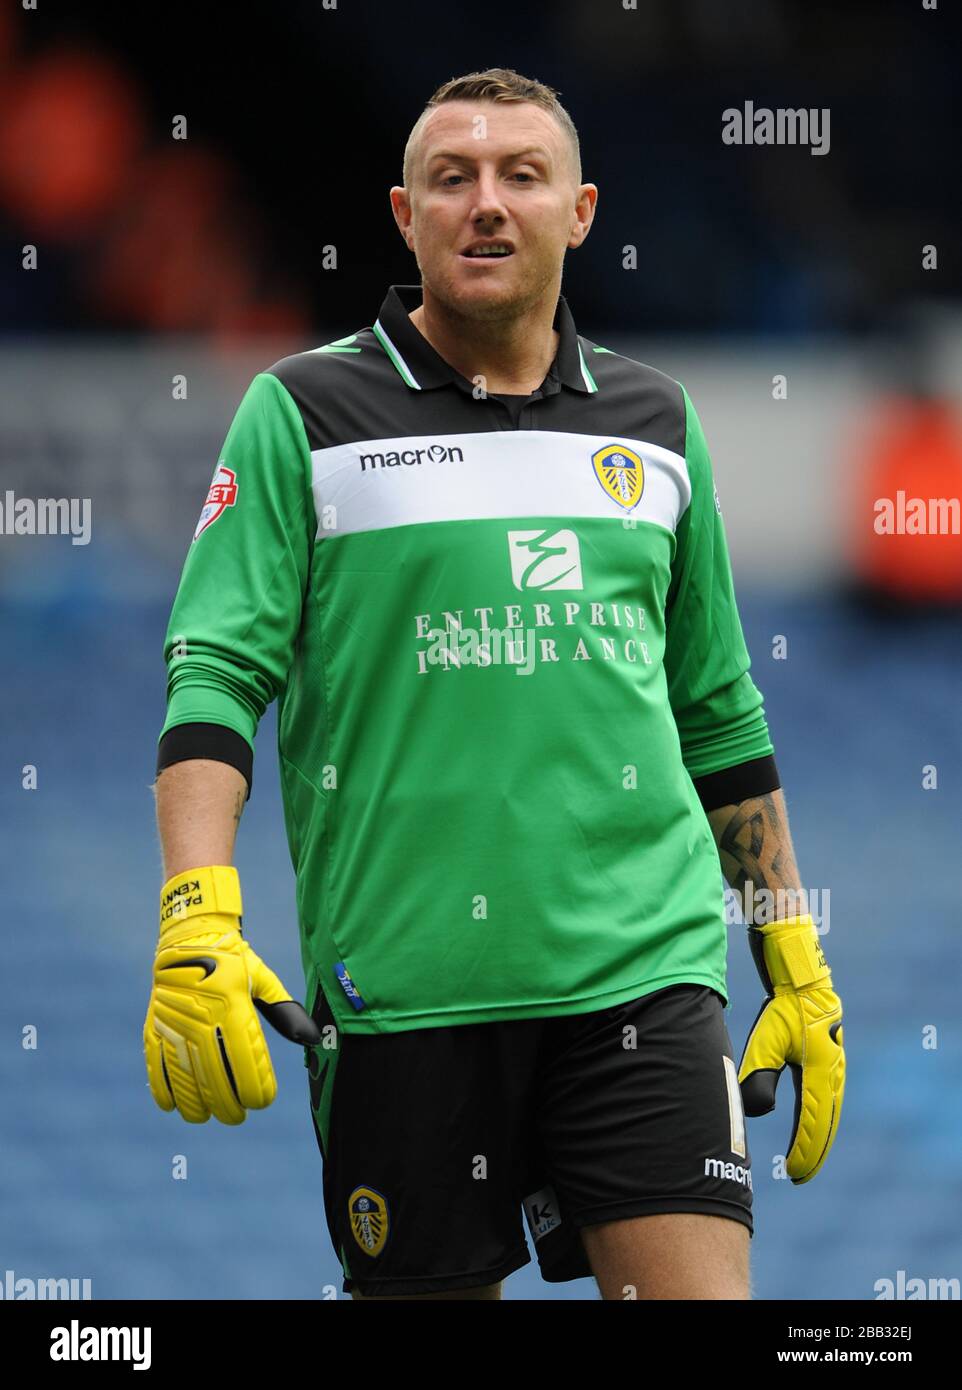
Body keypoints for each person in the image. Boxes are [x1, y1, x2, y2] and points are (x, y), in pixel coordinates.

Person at [145, 67, 845, 1301]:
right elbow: (213, 675)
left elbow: (719, 715)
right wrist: (197, 905)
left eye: (519, 176)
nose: (485, 203)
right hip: (404, 997)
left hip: (643, 978)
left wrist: (793, 955)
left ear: (577, 211)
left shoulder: (656, 424)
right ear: (402, 215)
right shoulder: (298, 411)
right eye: (450, 179)